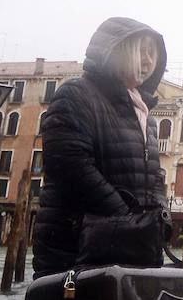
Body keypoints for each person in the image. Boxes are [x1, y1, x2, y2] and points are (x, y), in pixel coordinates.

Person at [33, 17, 168, 277]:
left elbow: (154, 176)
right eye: (141, 50)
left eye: (153, 53)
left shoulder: (145, 115)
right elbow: (71, 166)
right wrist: (125, 219)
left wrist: (159, 218)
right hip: (74, 248)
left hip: (131, 249)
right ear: (118, 50)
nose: (149, 60)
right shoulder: (76, 94)